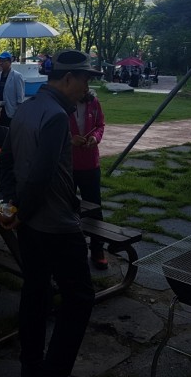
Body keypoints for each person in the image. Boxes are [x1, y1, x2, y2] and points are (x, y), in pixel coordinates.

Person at [0, 49, 99, 377]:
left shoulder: (26, 108)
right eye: (84, 80)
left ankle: (31, 365)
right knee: (80, 298)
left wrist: (14, 207)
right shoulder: (56, 116)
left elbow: (4, 164)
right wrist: (22, 211)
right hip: (56, 226)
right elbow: (41, 176)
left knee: (36, 291)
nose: (86, 88)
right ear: (67, 78)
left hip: (29, 225)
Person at [69, 87, 106, 269]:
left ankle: (98, 249)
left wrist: (95, 138)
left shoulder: (93, 102)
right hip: (67, 164)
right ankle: (70, 248)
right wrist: (70, 139)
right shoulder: (63, 104)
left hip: (90, 164)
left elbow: (100, 125)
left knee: (94, 207)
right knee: (67, 207)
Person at [0, 51, 25, 127]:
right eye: (0, 61)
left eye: (3, 61)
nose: (0, 63)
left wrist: (18, 113)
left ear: (9, 62)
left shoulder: (17, 76)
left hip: (10, 110)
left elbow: (20, 97)